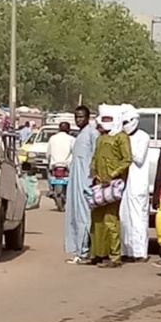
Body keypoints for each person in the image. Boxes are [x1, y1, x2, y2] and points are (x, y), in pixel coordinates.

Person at [89, 105, 131, 268]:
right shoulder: (100, 138)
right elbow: (95, 157)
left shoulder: (121, 137)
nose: (104, 122)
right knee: (96, 220)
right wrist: (93, 171)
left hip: (113, 185)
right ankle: (97, 253)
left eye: (108, 119)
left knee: (110, 220)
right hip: (99, 184)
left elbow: (127, 160)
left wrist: (112, 175)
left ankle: (114, 257)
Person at [65, 106, 99, 264]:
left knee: (84, 216)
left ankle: (84, 250)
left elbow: (95, 157)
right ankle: (79, 249)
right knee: (75, 214)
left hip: (85, 181)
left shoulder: (92, 133)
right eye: (76, 117)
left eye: (81, 117)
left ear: (87, 117)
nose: (78, 120)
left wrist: (91, 179)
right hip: (75, 181)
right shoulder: (79, 135)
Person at [119, 104, 151, 263]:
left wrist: (125, 148)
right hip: (125, 184)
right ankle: (127, 250)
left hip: (138, 184)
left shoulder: (143, 137)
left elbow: (138, 158)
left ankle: (140, 252)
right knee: (124, 218)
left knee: (138, 218)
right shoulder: (123, 137)